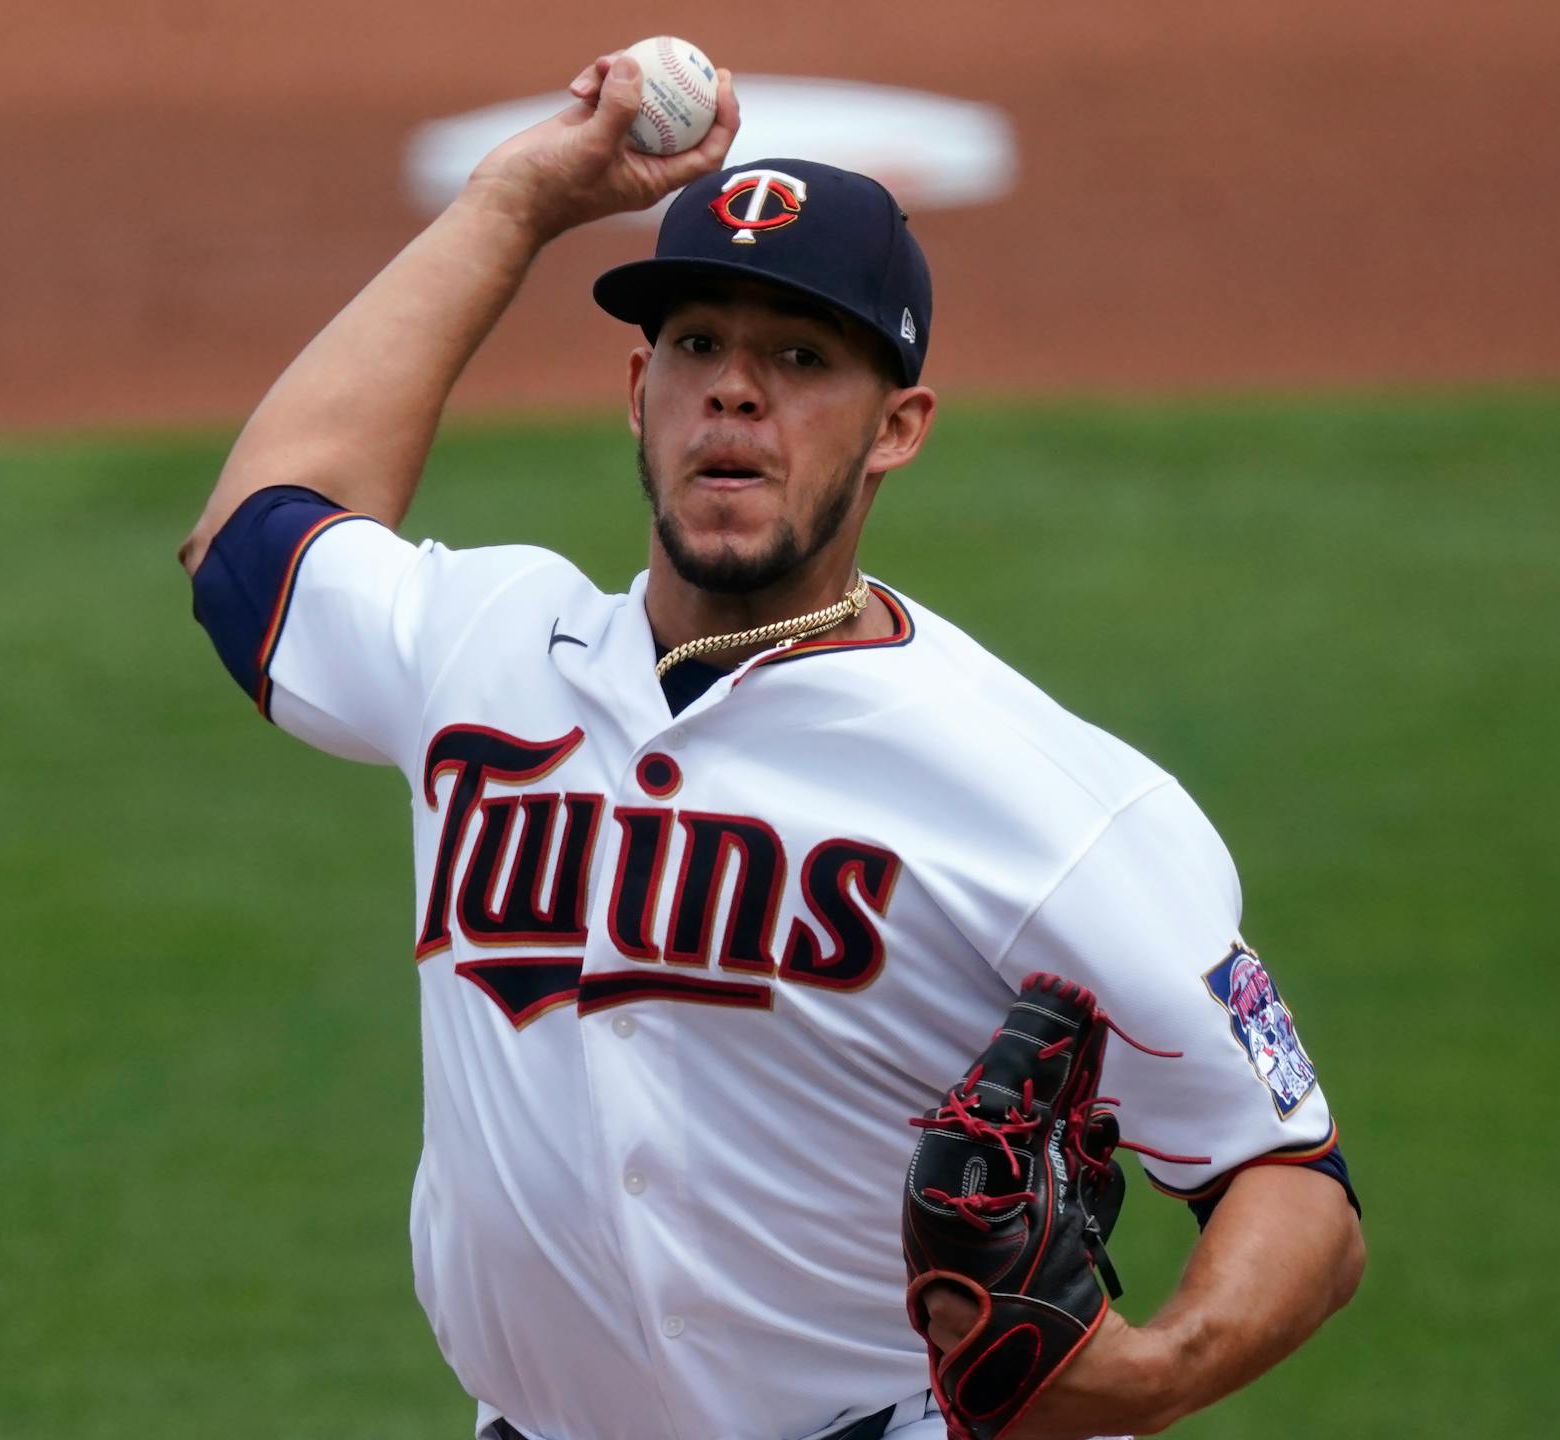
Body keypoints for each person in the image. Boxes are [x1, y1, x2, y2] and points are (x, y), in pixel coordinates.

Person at [181, 49, 1363, 1440]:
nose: (735, 395)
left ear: (897, 428)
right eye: (698, 348)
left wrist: (1154, 1375)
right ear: (638, 393)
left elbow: (1290, 1183)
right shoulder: (483, 648)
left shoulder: (1041, 796)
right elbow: (253, 542)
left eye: (801, 360)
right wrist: (513, 206)